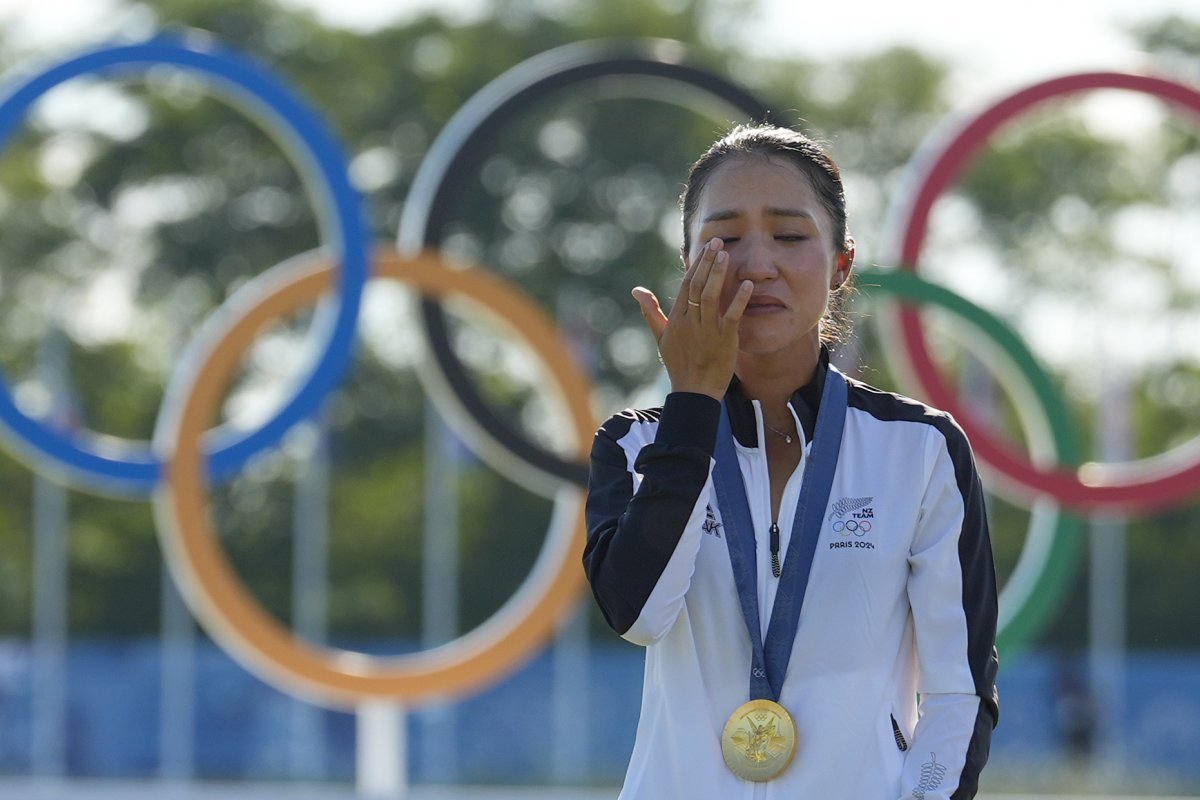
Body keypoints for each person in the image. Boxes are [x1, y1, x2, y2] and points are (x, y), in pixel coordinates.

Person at [584, 123, 998, 799]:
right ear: (688, 261)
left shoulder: (921, 450)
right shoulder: (635, 447)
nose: (757, 263)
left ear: (841, 264)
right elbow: (639, 615)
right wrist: (693, 407)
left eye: (789, 234)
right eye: (724, 237)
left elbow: (960, 690)